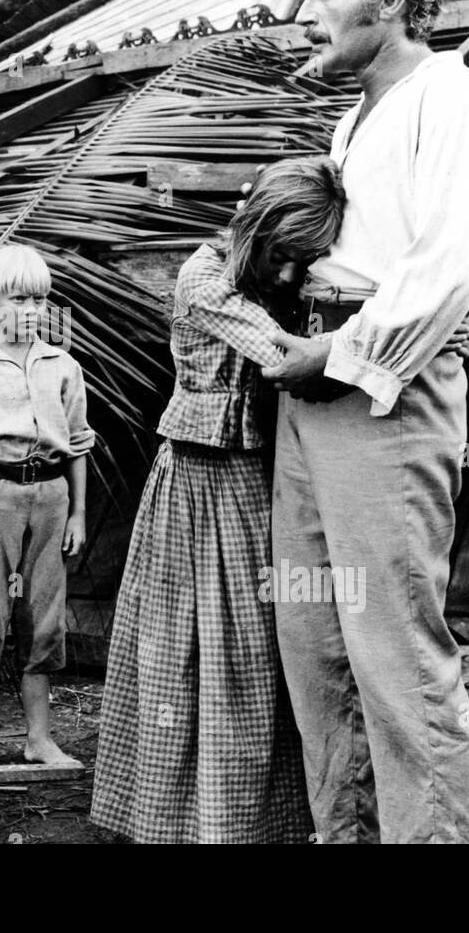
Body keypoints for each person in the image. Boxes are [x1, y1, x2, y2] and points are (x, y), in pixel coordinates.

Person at [263, 0, 469, 844]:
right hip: (311, 399)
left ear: (393, 0)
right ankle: (347, 834)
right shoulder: (349, 114)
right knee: (313, 636)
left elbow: (452, 268)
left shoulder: (452, 96)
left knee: (395, 650)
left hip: (386, 397)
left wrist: (336, 355)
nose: (310, 11)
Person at [91, 157, 342, 844]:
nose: (294, 274)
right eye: (287, 256)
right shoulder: (205, 278)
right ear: (258, 230)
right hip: (199, 482)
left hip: (261, 478)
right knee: (192, 647)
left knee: (261, 649)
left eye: (307, 260)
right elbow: (286, 358)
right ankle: (192, 820)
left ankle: (266, 819)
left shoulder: (277, 279)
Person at [0, 245, 94, 775]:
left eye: (39, 299)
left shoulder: (63, 364)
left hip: (50, 497)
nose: (30, 309)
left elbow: (76, 443)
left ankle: (39, 739)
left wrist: (76, 514)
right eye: (17, 298)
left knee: (44, 619)